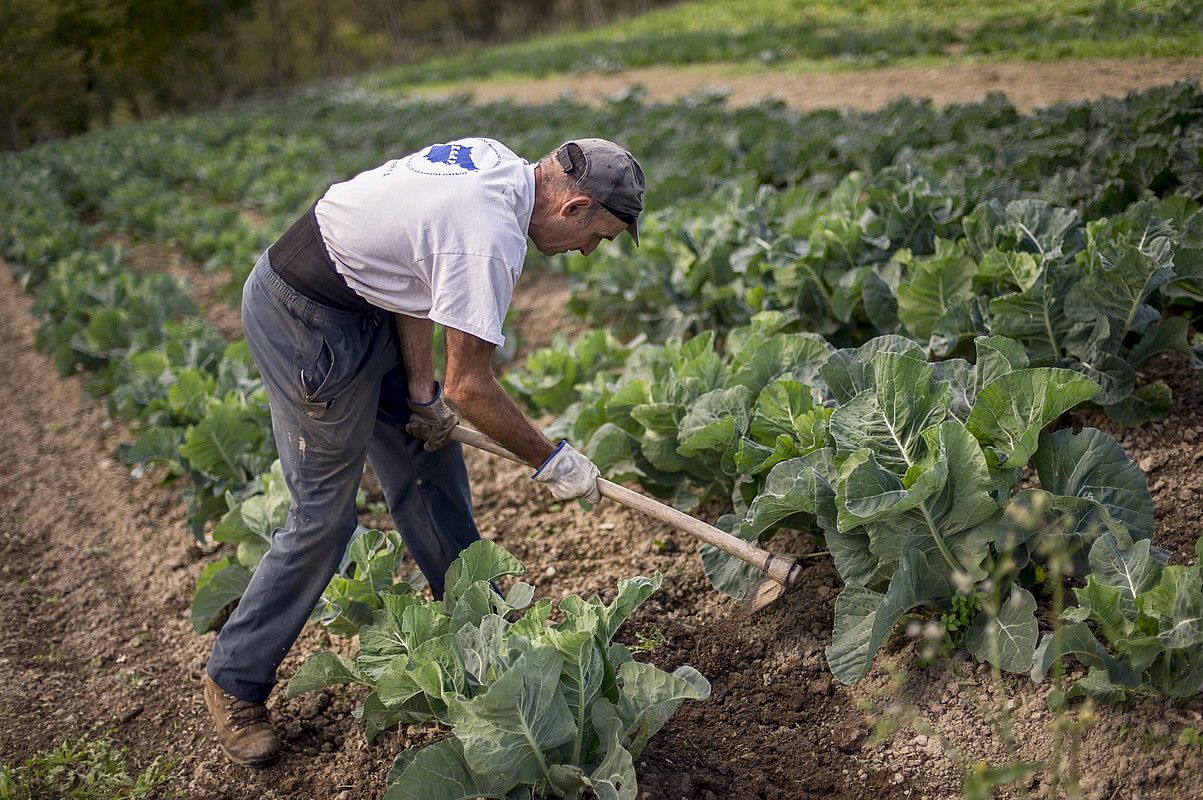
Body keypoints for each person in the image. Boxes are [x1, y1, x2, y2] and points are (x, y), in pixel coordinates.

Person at [201, 137, 645, 766]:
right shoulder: (490, 234)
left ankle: (481, 635)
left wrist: (418, 393)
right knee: (324, 519)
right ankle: (234, 678)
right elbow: (471, 386)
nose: (589, 250)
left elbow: (414, 279)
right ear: (572, 208)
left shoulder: (498, 164)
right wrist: (553, 459)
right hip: (304, 317)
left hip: (367, 302)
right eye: (598, 235)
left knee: (428, 460)